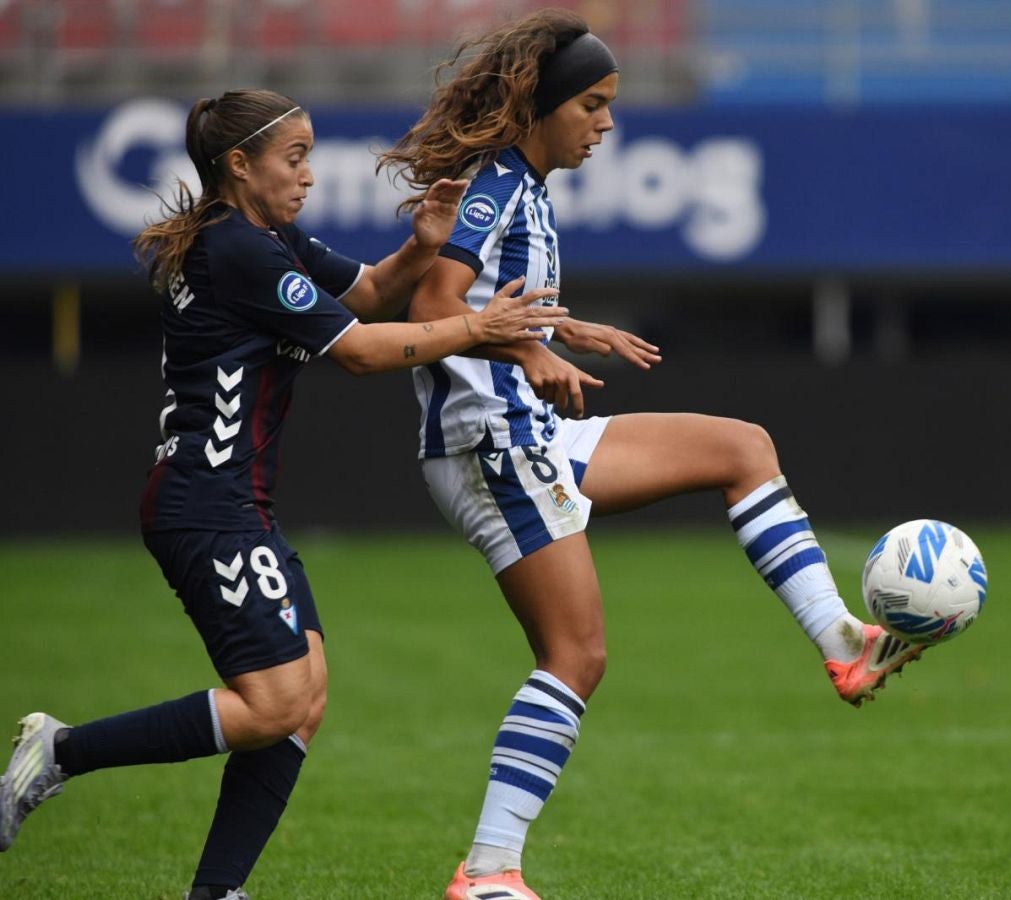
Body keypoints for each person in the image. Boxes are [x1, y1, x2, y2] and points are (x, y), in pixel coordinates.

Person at [377, 12, 928, 900]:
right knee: (575, 656)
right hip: (491, 442)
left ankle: (841, 639)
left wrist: (562, 329)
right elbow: (434, 308)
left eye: (609, 105)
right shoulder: (496, 187)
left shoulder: (525, 184)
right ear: (542, 105)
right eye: (591, 104)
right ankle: (486, 871)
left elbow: (487, 302)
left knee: (741, 448)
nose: (604, 124)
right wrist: (533, 353)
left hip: (529, 434)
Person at [0, 88, 566, 899]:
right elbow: (363, 352)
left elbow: (366, 297)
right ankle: (60, 752)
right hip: (206, 505)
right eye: (294, 157)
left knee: (302, 701)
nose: (308, 173)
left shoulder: (265, 238)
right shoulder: (240, 250)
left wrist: (420, 249)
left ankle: (216, 891)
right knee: (273, 703)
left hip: (232, 507)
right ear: (240, 164)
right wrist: (475, 329)